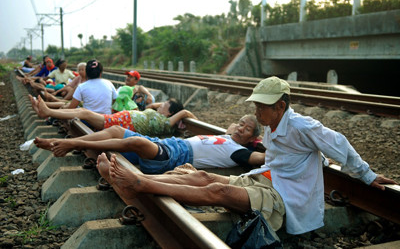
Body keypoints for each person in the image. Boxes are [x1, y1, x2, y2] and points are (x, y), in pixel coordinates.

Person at [95, 76, 397, 236]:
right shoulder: (271, 124)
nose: (257, 111)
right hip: (267, 180)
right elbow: (268, 160)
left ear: (280, 106)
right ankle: (141, 178)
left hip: (285, 198)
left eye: (262, 107)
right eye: (256, 106)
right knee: (198, 174)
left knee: (218, 190)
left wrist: (367, 175)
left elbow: (339, 144)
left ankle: (140, 183)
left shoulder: (303, 126)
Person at [34, 115, 264, 174]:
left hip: (174, 157)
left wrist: (269, 142)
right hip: (166, 144)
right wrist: (232, 129)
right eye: (240, 123)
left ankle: (67, 143)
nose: (240, 128)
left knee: (134, 140)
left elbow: (258, 159)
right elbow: (231, 130)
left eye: (246, 129)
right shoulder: (227, 136)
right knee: (115, 131)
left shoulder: (239, 151)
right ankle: (68, 143)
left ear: (252, 138)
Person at [30, 94, 196, 136]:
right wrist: (164, 106)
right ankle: (48, 111)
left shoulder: (163, 123)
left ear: (171, 112)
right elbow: (153, 104)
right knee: (83, 112)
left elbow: (184, 112)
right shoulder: (157, 114)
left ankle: (49, 112)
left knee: (84, 112)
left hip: (121, 123)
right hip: (121, 120)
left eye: (166, 105)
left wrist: (186, 115)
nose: (162, 105)